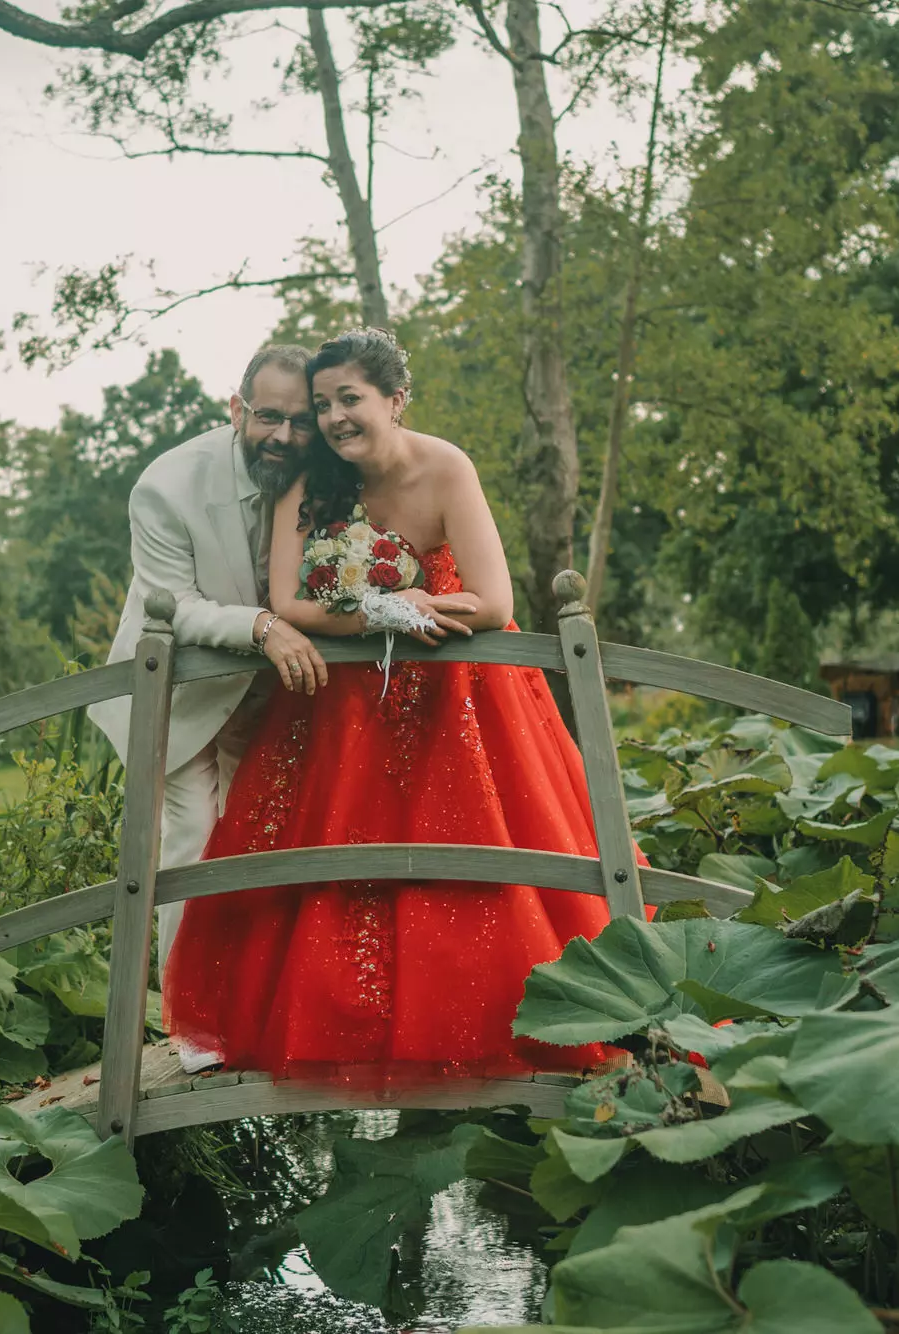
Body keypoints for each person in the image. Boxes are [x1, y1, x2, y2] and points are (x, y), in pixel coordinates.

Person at [161, 328, 627, 1089]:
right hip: (343, 710)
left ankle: (515, 1021)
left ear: (395, 399)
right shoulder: (308, 483)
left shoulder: (446, 468)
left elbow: (494, 600)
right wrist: (378, 613)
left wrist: (420, 607)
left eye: (352, 399)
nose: (336, 417)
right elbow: (288, 601)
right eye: (325, 404)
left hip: (456, 698)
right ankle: (351, 1027)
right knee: (338, 866)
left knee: (474, 857)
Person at [88, 344, 330, 1033]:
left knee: (267, 841)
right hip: (183, 695)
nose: (283, 436)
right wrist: (264, 626)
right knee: (192, 840)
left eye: (299, 421)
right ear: (237, 409)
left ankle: (260, 1009)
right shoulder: (167, 486)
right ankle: (191, 1024)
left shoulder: (323, 474)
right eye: (268, 417)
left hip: (272, 695)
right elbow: (176, 605)